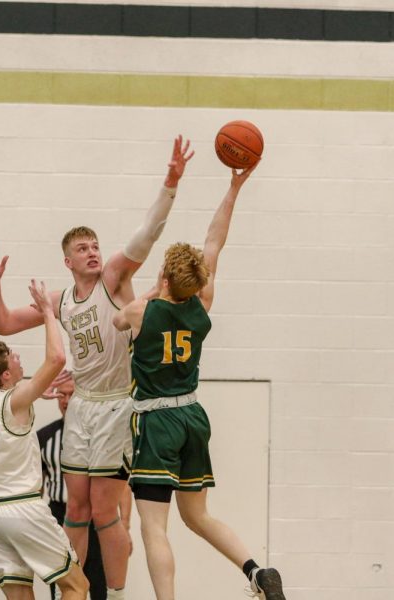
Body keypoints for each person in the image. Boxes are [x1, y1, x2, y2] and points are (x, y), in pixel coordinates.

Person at [0, 136, 194, 600]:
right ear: (67, 261)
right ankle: (67, 592)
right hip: (83, 407)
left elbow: (145, 236)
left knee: (106, 510)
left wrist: (169, 185)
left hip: (116, 403)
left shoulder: (114, 278)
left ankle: (115, 594)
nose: (93, 252)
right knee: (75, 507)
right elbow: (3, 322)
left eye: (95, 245)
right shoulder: (60, 300)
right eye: (83, 248)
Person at [112, 164, 286, 600]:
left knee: (154, 527)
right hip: (192, 416)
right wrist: (234, 187)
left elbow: (118, 318)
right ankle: (256, 570)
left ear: (166, 278)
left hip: (156, 423)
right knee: (197, 516)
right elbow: (214, 240)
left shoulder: (142, 311)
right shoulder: (203, 303)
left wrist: (152, 290)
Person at [0, 280, 88, 600]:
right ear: (5, 376)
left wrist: (33, 394)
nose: (17, 356)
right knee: (78, 586)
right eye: (11, 357)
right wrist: (49, 311)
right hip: (21, 509)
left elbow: (13, 404)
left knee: (20, 596)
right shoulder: (15, 400)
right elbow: (57, 359)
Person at [38, 374, 133, 600]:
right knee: (64, 586)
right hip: (60, 514)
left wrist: (126, 527)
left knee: (99, 583)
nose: (66, 400)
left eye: (72, 394)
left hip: (95, 518)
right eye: (62, 394)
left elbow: (122, 488)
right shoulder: (44, 437)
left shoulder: (101, 435)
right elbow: (37, 488)